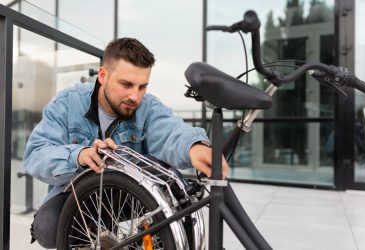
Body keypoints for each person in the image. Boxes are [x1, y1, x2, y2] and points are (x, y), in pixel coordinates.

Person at [23, 37, 228, 248]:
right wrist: (79, 155)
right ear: (103, 76)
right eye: (126, 84)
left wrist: (194, 146)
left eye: (142, 87)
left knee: (178, 214)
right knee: (47, 227)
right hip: (80, 195)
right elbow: (36, 154)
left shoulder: (148, 107)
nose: (135, 96)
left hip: (129, 193)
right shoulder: (67, 103)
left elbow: (171, 130)